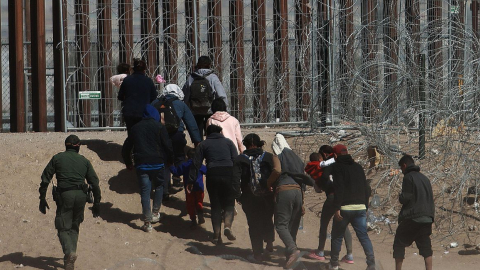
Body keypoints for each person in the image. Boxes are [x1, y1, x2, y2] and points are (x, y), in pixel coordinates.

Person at [38, 135, 101, 270]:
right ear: (78, 146)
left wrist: (42, 198)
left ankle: (69, 252)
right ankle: (69, 261)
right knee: (74, 225)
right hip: (81, 196)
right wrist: (97, 203)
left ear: (65, 145)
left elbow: (45, 179)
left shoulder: (57, 158)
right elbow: (95, 183)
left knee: (62, 226)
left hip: (65, 195)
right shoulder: (84, 161)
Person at [121, 104, 174, 232]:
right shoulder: (160, 127)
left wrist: (128, 162)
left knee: (145, 191)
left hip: (142, 164)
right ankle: (156, 213)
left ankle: (147, 221)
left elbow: (126, 147)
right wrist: (170, 161)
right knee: (160, 186)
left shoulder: (135, 128)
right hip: (158, 162)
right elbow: (168, 145)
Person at [232, 133, 281, 263]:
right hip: (268, 196)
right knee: (267, 218)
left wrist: (238, 196)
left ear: (246, 145)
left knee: (254, 224)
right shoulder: (269, 157)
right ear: (259, 144)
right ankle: (269, 241)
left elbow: (235, 180)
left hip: (249, 197)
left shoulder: (240, 159)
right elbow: (276, 174)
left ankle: (257, 254)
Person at [325, 144, 375, 270]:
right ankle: (371, 264)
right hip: (360, 207)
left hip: (345, 208)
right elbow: (366, 188)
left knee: (337, 236)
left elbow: (339, 187)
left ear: (335, 155)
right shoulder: (358, 167)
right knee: (363, 236)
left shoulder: (337, 167)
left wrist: (337, 208)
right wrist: (365, 207)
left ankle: (334, 264)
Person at [270, 133, 315, 269]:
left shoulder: (278, 155)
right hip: (298, 193)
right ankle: (290, 259)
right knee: (292, 228)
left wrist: (268, 183)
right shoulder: (298, 159)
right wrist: (302, 202)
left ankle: (293, 250)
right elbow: (302, 181)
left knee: (281, 225)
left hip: (285, 190)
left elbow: (277, 170)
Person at [188, 124, 238, 244]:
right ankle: (227, 226)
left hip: (213, 174)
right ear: (220, 132)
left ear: (207, 133)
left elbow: (196, 163)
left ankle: (216, 235)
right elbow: (236, 161)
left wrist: (191, 180)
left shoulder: (203, 145)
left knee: (215, 205)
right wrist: (237, 179)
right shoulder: (229, 142)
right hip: (228, 173)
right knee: (229, 203)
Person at [152, 84, 202, 199]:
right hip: (176, 135)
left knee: (163, 161)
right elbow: (191, 124)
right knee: (179, 157)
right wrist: (197, 141)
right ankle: (177, 180)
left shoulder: (155, 103)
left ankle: (164, 190)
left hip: (159, 136)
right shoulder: (181, 104)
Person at [306, 146, 354, 264]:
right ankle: (349, 255)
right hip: (344, 197)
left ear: (324, 154)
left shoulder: (324, 166)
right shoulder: (341, 165)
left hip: (332, 197)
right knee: (344, 225)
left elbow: (318, 189)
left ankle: (320, 252)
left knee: (324, 223)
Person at [394, 154, 434, 270]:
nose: (402, 171)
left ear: (404, 165)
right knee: (426, 247)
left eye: (401, 168)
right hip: (427, 217)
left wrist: (400, 197)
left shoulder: (408, 177)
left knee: (399, 242)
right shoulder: (425, 178)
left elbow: (406, 198)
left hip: (413, 216)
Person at [182, 56, 228, 138]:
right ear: (209, 65)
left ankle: (199, 147)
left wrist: (186, 108)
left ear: (198, 65)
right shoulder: (212, 77)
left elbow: (185, 95)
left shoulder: (191, 77)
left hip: (195, 109)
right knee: (210, 131)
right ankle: (209, 146)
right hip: (209, 110)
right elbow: (221, 94)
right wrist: (224, 108)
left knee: (197, 133)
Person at [169, 148, 207, 229]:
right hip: (199, 187)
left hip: (189, 188)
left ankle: (193, 220)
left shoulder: (185, 165)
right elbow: (207, 171)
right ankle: (200, 214)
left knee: (190, 204)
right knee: (199, 202)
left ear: (187, 156)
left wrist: (171, 166)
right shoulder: (200, 165)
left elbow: (176, 172)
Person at [117, 58, 158, 131]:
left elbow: (120, 96)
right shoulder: (148, 81)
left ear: (133, 69)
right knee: (143, 133)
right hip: (144, 112)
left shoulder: (127, 80)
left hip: (129, 112)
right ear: (144, 69)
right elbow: (154, 96)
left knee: (131, 133)